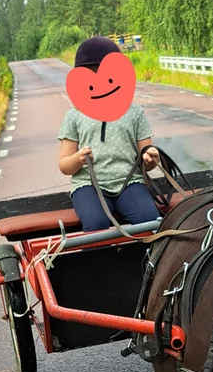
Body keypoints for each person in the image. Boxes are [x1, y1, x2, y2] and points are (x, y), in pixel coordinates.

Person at [57, 36, 160, 230]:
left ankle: (148, 259)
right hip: (88, 185)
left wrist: (151, 159)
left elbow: (147, 154)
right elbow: (64, 165)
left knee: (150, 219)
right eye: (91, 79)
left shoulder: (134, 112)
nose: (101, 85)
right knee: (96, 221)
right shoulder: (74, 116)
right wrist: (78, 158)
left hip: (129, 182)